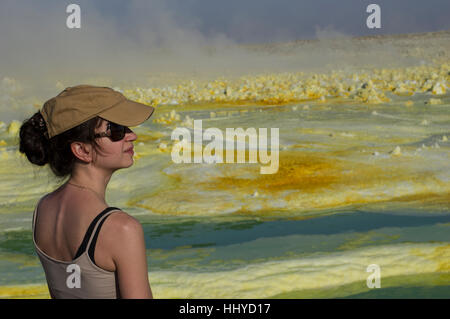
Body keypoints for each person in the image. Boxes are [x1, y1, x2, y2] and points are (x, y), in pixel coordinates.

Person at [19, 85, 155, 299]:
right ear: (82, 150)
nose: (133, 136)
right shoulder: (121, 229)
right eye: (117, 130)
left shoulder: (43, 209)